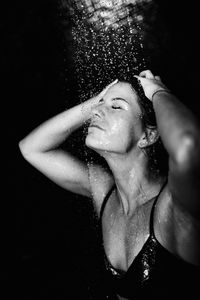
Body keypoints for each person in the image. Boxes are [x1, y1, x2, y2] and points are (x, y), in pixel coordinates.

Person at [19, 70, 200, 299]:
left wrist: (158, 91)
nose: (95, 112)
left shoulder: (174, 206)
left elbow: (187, 145)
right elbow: (31, 148)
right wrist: (95, 102)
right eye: (100, 104)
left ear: (149, 135)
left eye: (116, 106)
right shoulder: (104, 191)